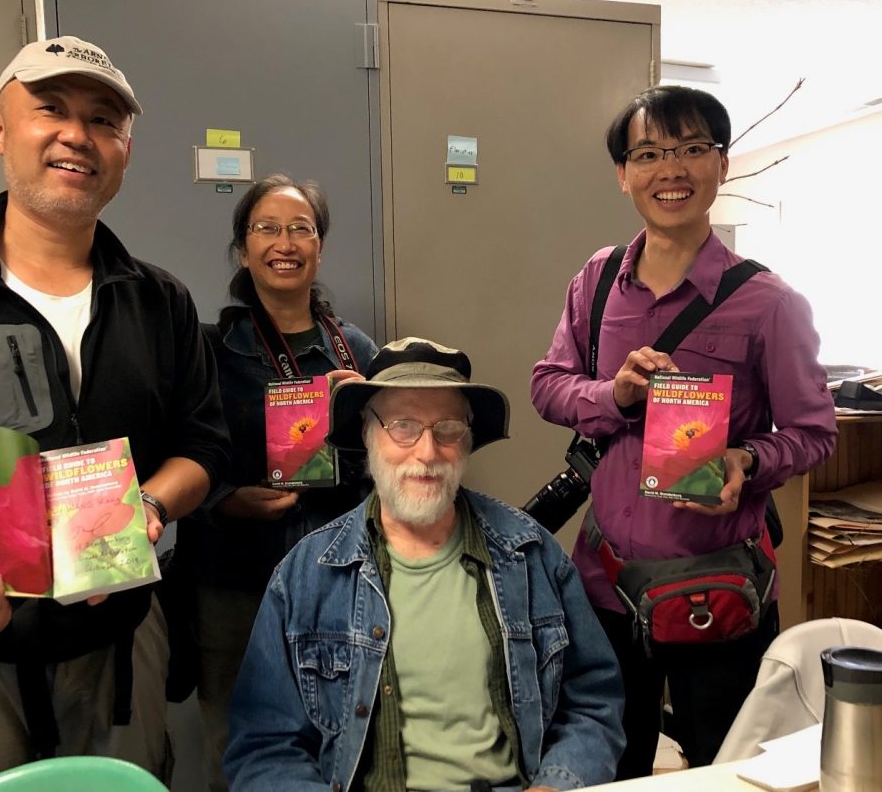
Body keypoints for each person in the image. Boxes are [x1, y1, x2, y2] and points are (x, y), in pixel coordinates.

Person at [0, 36, 230, 789]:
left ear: (124, 149)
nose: (76, 135)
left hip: (119, 645)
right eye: (50, 109)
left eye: (102, 120)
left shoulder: (159, 299)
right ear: (0, 127)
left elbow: (205, 445)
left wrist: (150, 503)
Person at [530, 85, 837, 776]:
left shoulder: (770, 302)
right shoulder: (597, 281)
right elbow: (547, 384)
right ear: (624, 173)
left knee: (729, 768)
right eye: (649, 153)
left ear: (721, 165)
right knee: (608, 760)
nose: (671, 169)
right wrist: (614, 393)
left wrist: (747, 461)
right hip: (607, 587)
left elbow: (815, 431)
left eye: (693, 149)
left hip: (721, 588)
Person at [225, 337, 625, 792]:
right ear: (365, 433)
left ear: (469, 439)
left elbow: (594, 701)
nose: (427, 452)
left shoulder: (532, 555)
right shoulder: (306, 575)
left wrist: (557, 783)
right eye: (403, 425)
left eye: (448, 428)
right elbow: (264, 748)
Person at [184, 173, 377, 792]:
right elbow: (185, 453)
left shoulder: (356, 352)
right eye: (267, 228)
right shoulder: (210, 350)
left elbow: (389, 467)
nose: (285, 241)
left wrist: (368, 414)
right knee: (239, 744)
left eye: (301, 228)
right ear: (244, 249)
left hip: (336, 579)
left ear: (319, 247)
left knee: (343, 736)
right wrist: (224, 502)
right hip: (234, 580)